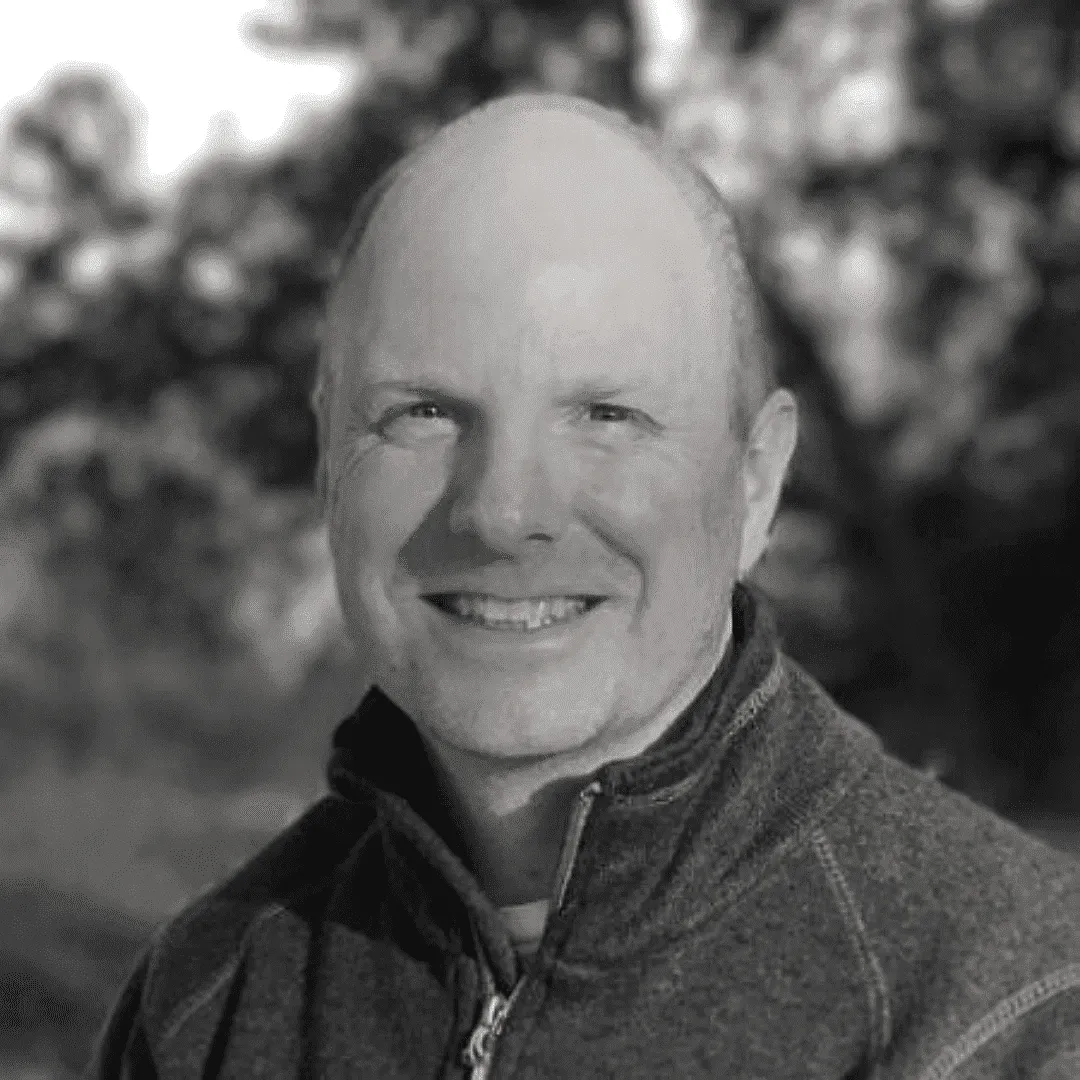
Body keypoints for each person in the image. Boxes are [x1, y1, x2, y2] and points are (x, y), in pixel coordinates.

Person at [87, 92, 1080, 1080]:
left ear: (754, 482)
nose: (503, 510)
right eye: (424, 412)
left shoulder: (1005, 1018)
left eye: (606, 415)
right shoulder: (208, 1005)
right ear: (326, 459)